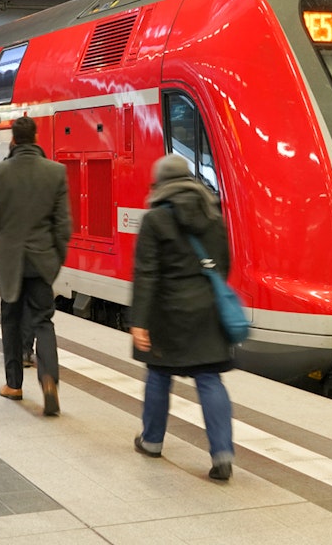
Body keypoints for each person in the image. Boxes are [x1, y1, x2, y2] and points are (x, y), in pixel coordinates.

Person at [129, 154, 235, 481]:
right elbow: (224, 264)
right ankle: (222, 454)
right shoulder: (212, 213)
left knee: (160, 375)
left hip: (166, 311)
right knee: (209, 378)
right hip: (206, 309)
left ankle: (152, 441)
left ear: (160, 183)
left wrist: (139, 320)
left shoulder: (155, 219)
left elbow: (146, 274)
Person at [0, 116, 71, 416]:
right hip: (42, 260)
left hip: (10, 261)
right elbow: (64, 226)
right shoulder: (55, 172)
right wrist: (55, 258)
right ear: (35, 137)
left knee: (10, 321)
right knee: (43, 321)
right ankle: (49, 381)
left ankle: (14, 385)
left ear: (13, 139)